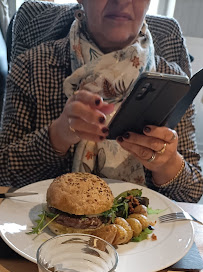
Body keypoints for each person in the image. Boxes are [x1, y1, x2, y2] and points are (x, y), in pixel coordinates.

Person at [0, 0, 202, 203]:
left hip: (146, 231)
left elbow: (192, 193)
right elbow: (4, 174)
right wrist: (56, 136)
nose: (122, 1)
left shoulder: (172, 81)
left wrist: (168, 165)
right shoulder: (31, 67)